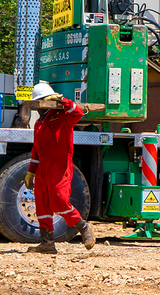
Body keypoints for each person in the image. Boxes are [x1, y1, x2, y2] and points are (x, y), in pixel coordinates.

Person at [25, 81, 102, 253]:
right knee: (42, 204)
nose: (40, 108)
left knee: (59, 201)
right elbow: (36, 150)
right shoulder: (39, 124)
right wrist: (31, 172)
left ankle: (83, 227)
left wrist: (63, 101)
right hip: (43, 169)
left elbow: (78, 112)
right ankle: (47, 243)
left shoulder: (63, 118)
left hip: (60, 167)